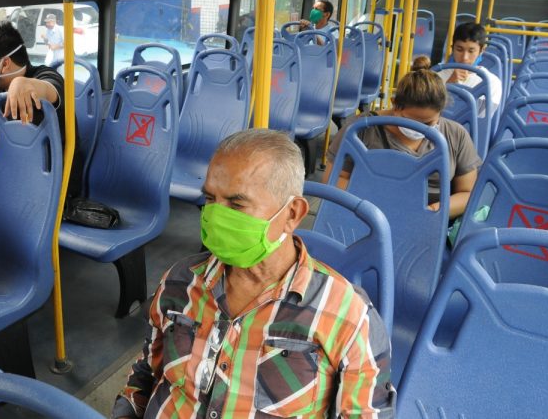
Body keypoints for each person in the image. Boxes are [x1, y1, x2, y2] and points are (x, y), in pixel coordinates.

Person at [112, 129, 395, 419]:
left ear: (293, 214)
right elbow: (145, 374)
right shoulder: (180, 282)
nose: (216, 216)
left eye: (236, 204)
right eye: (210, 199)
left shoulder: (347, 315)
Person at [324, 60, 481, 219]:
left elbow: (467, 192)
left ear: (441, 112)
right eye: (411, 122)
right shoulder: (359, 130)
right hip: (365, 215)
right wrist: (371, 209)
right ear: (395, 105)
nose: (419, 129)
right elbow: (333, 180)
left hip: (430, 221)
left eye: (428, 123)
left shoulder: (456, 135)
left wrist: (431, 212)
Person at [0, 21, 82, 196]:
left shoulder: (46, 75)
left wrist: (23, 83)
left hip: (54, 183)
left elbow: (49, 89)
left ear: (5, 63)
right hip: (11, 175)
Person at [436, 22, 502, 119]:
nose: (465, 57)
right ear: (452, 48)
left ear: (482, 50)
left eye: (471, 51)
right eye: (459, 49)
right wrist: (447, 86)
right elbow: (426, 113)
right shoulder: (436, 75)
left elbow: (482, 122)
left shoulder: (491, 82)